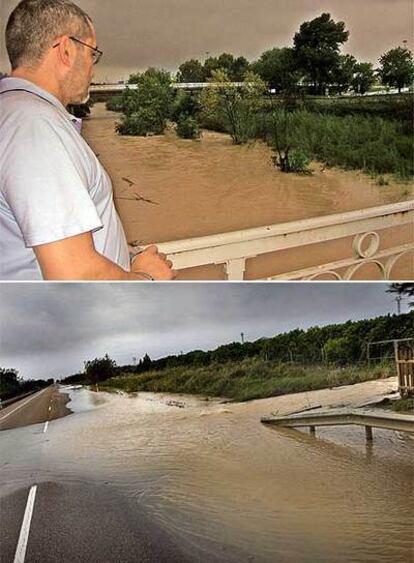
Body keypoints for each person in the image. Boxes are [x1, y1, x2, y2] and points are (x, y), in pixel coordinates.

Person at [0, 0, 175, 281]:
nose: (93, 69)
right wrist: (147, 279)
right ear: (66, 50)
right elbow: (73, 275)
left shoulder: (13, 114)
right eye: (93, 54)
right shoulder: (34, 126)